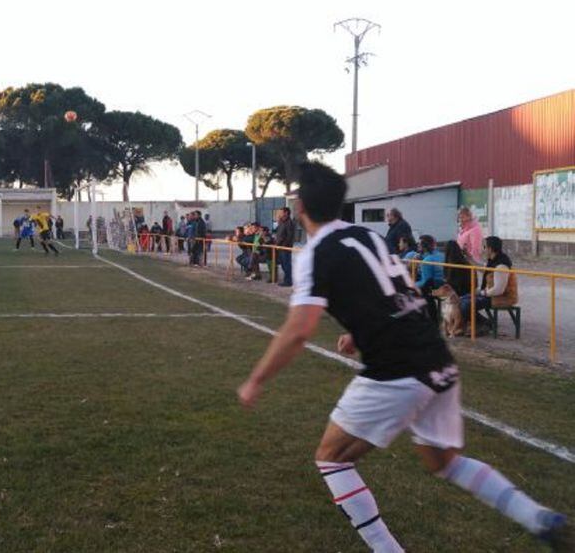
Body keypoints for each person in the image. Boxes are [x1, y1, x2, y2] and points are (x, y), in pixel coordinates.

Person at [237, 162, 569, 552]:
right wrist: (358, 332)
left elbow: (298, 330)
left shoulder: (316, 253)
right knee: (442, 461)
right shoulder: (368, 236)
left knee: (332, 458)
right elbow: (400, 295)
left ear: (299, 208)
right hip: (435, 356)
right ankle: (535, 516)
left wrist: (256, 379)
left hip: (395, 370)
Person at [460, 236, 519, 331]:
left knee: (466, 305)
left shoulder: (501, 265)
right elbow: (483, 269)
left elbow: (499, 290)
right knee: (461, 300)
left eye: (484, 247)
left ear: (490, 249)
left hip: (502, 297)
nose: (482, 250)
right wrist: (469, 257)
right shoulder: (493, 261)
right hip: (492, 294)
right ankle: (483, 323)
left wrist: (482, 292)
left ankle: (485, 324)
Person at [415, 235, 445, 321]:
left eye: (419, 244)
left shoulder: (427, 260)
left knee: (415, 290)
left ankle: (427, 318)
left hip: (435, 290)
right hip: (446, 285)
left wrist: (412, 284)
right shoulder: (441, 255)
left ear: (424, 247)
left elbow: (425, 282)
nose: (417, 245)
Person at [273, 207, 296, 287]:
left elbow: (289, 236)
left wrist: (283, 245)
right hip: (280, 247)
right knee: (283, 264)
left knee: (286, 264)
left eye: (281, 212)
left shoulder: (289, 222)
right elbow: (276, 232)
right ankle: (287, 280)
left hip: (285, 247)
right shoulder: (282, 222)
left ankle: (288, 281)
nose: (279, 214)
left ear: (286, 213)